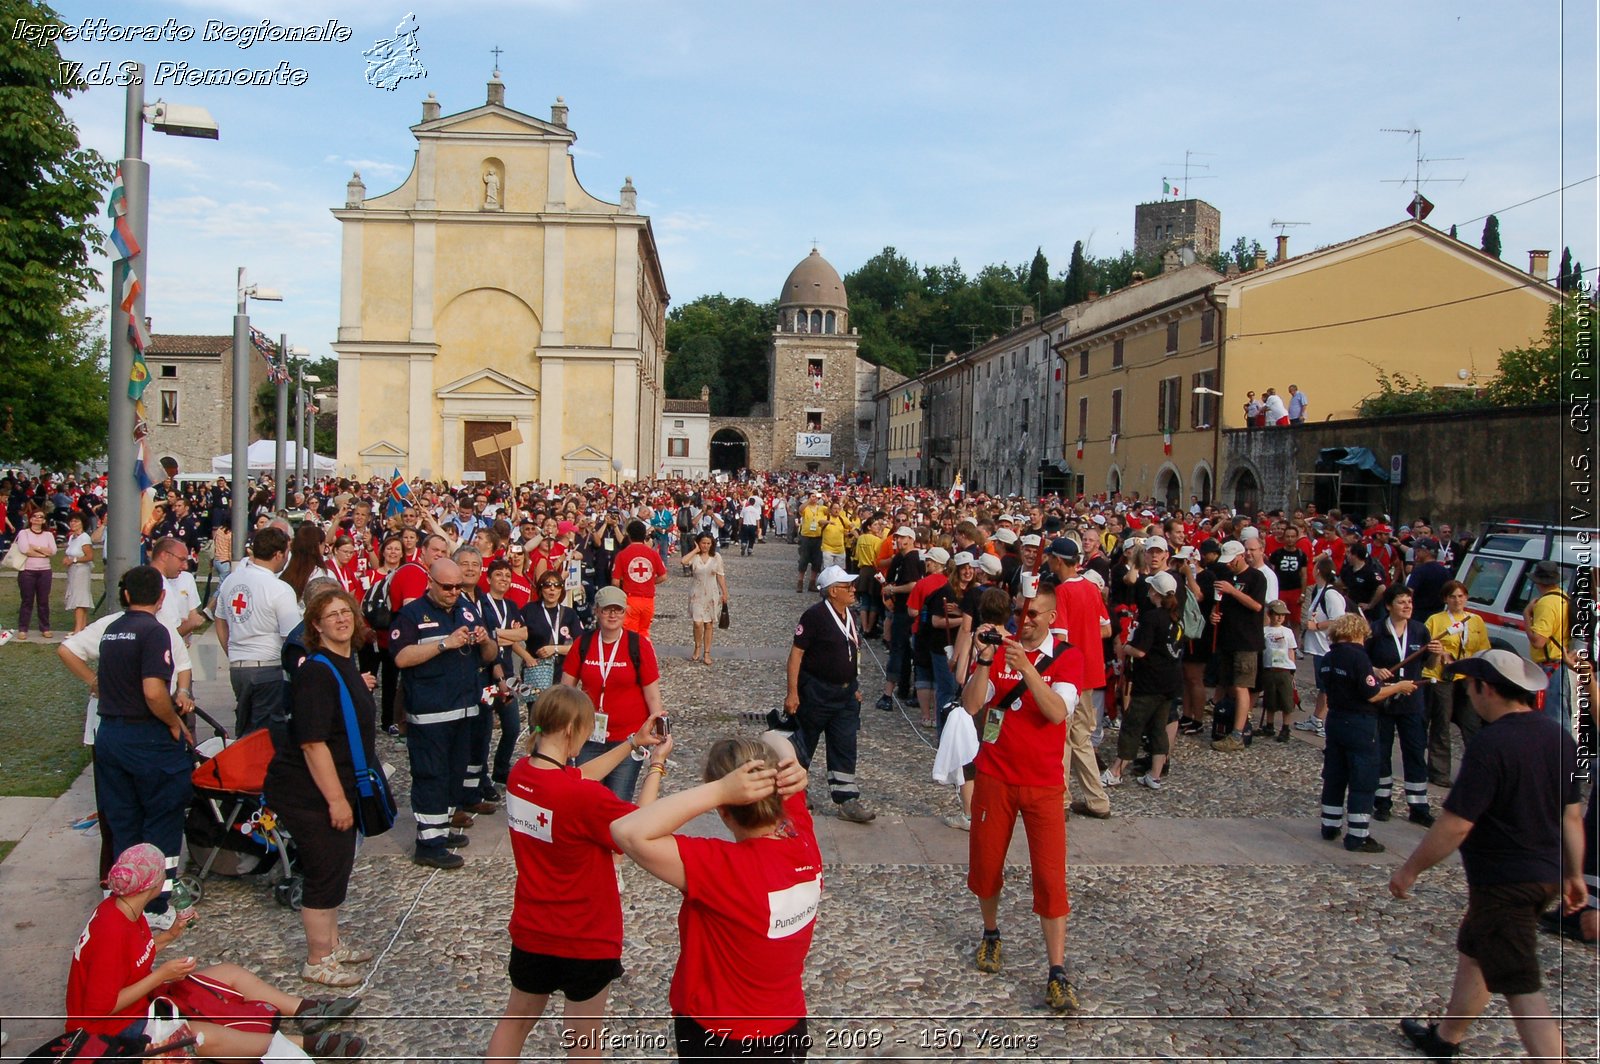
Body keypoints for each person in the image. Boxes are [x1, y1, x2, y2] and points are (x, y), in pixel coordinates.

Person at [1390, 650, 1584, 1063]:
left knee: (1520, 983)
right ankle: (1446, 1037)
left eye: (1471, 685)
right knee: (1477, 947)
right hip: (1543, 875)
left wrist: (1410, 870)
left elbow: (1457, 824)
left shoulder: (1490, 744)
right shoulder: (1558, 737)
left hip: (1505, 881)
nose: (1469, 694)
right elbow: (1571, 815)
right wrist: (1574, 873)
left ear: (1487, 688)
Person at [484, 686, 669, 1062]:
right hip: (584, 935)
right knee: (583, 1043)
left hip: (533, 929)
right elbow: (640, 827)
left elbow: (575, 778)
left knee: (515, 1020)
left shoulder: (521, 774)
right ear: (571, 730)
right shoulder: (583, 800)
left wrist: (632, 742)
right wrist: (656, 766)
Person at [611, 733, 816, 1061]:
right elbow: (774, 737)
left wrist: (718, 790)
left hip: (718, 1032)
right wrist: (792, 769)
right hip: (787, 1027)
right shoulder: (801, 837)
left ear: (723, 811)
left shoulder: (723, 869)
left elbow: (626, 831)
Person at [66, 843, 366, 1059]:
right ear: (152, 884)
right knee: (200, 1038)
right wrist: (161, 976)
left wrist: (171, 935)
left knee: (230, 973)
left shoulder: (123, 909)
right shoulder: (113, 930)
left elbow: (132, 958)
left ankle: (305, 1008)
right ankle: (304, 1043)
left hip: (138, 1004)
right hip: (109, 1027)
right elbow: (101, 1007)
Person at [960, 587, 1085, 1010]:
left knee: (1050, 876)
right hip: (995, 775)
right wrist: (982, 660)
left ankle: (1057, 969)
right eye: (1020, 612)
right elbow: (973, 704)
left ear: (1052, 618)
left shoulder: (1068, 657)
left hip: (1044, 783)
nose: (1025, 620)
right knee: (986, 861)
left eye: (1035, 614)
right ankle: (991, 933)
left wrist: (1027, 669)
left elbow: (1056, 711)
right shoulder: (1000, 651)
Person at [264, 586, 379, 989]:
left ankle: (331, 943)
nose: (342, 619)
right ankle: (318, 959)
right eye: (331, 615)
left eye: (346, 612)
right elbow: (313, 743)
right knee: (323, 871)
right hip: (311, 793)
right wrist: (336, 801)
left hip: (340, 783)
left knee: (338, 867)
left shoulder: (346, 661)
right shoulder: (315, 671)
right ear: (315, 625)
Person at [92, 565, 193, 927]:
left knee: (123, 820)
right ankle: (156, 905)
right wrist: (173, 723)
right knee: (162, 818)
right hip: (146, 738)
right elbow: (153, 690)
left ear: (127, 595)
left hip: (111, 733)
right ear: (162, 597)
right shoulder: (155, 632)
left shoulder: (112, 630)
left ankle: (125, 899)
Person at [391, 557, 498, 869]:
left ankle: (442, 829)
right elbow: (401, 657)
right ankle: (428, 843)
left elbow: (489, 655)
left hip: (463, 709)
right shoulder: (412, 615)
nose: (453, 592)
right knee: (431, 776)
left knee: (453, 774)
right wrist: (443, 644)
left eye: (458, 587)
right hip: (431, 713)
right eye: (447, 587)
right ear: (431, 583)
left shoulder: (467, 609)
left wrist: (485, 640)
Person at [1316, 613, 1418, 853]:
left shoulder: (1329, 657)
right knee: (1363, 777)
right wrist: (1398, 687)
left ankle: (1330, 825)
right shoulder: (1358, 658)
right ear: (1357, 632)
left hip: (1336, 719)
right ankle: (1358, 835)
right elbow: (1371, 694)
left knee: (1335, 775)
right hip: (1359, 723)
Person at [784, 565, 874, 824]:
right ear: (833, 591)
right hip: (816, 692)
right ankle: (798, 794)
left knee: (845, 745)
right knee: (803, 745)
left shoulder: (849, 615)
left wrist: (854, 686)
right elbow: (796, 655)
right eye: (848, 587)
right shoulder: (814, 616)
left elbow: (852, 651)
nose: (853, 590)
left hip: (845, 695)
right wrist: (792, 693)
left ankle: (847, 799)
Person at [561, 585, 663, 803]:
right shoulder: (583, 644)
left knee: (617, 802)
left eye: (618, 609)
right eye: (607, 609)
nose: (612, 614)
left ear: (625, 612)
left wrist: (661, 730)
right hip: (588, 737)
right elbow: (566, 690)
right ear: (597, 611)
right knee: (586, 799)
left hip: (629, 739)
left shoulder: (638, 645)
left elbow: (652, 694)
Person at [214, 527, 300, 738]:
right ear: (279, 554)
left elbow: (220, 619)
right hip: (268, 666)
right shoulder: (278, 588)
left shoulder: (230, 582)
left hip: (238, 667)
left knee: (244, 728)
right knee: (267, 734)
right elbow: (291, 636)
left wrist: (232, 651)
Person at [1365, 585, 1440, 827]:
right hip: (1384, 700)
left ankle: (1418, 806)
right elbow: (1362, 663)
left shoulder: (1419, 630)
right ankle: (1382, 802)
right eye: (1401, 602)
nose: (1407, 606)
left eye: (1409, 601)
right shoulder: (1375, 631)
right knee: (1382, 752)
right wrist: (1374, 670)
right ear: (1388, 606)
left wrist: (1438, 654)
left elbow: (1429, 662)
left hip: (1412, 701)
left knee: (1415, 752)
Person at [1104, 571, 1180, 787]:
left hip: (1150, 682)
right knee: (1158, 727)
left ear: (1155, 592)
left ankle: (1116, 771)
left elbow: (1140, 651)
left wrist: (1126, 647)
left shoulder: (1152, 617)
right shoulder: (1174, 616)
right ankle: (1155, 775)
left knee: (1132, 725)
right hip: (1169, 681)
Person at [1421, 580, 1490, 785]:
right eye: (1452, 596)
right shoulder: (1436, 620)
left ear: (1466, 598)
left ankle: (1477, 771)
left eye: (1460, 596)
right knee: (1441, 723)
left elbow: (1483, 648)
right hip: (1442, 676)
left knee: (1472, 724)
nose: (1457, 600)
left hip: (1467, 677)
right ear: (1445, 599)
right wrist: (1440, 652)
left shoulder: (1476, 620)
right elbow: (1428, 647)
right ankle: (1439, 772)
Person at [1210, 540, 1267, 752]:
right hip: (1227, 638)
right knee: (1230, 684)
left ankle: (1237, 733)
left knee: (1242, 685)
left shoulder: (1256, 577)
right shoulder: (1225, 576)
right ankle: (1232, 723)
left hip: (1247, 640)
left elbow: (1256, 605)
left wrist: (1233, 591)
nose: (1229, 565)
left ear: (1241, 556)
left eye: (1232, 561)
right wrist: (1214, 615)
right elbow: (1221, 605)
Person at [1294, 558, 1346, 739]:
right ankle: (1317, 718)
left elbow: (1338, 620)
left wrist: (1316, 626)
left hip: (1326, 648)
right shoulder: (1321, 591)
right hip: (1318, 648)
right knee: (1322, 687)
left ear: (1318, 571)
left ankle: (1324, 721)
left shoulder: (1330, 595)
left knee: (1327, 688)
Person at [876, 526, 924, 710]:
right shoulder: (900, 557)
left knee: (902, 650)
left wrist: (893, 589)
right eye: (897, 537)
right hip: (900, 608)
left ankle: (890, 693)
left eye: (903, 537)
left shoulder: (912, 558)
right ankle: (904, 689)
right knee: (903, 651)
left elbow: (914, 585)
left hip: (908, 610)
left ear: (911, 539)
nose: (899, 540)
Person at [1524, 561, 1571, 730]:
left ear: (1537, 581)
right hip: (1562, 664)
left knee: (1553, 718)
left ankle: (1558, 754)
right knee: (1561, 715)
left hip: (1551, 666)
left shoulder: (1545, 604)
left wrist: (1526, 616)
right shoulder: (1564, 597)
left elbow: (1538, 641)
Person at [611, 519, 667, 638]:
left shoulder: (622, 554)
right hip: (648, 600)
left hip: (630, 599)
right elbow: (663, 576)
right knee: (644, 632)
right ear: (644, 535)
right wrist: (650, 582)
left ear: (629, 536)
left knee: (629, 634)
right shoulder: (653, 554)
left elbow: (615, 582)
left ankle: (631, 656)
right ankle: (645, 654)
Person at [13, 502, 57, 639]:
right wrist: (43, 552)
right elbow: (25, 550)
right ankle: (23, 628)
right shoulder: (23, 533)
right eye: (35, 516)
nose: (38, 519)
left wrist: (36, 548)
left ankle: (45, 627)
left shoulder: (48, 535)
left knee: (43, 601)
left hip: (45, 571)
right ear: (30, 519)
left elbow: (53, 551)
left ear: (44, 520)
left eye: (41, 517)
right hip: (28, 571)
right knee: (27, 600)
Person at [150, 536, 205, 642]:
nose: (185, 567)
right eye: (181, 560)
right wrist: (191, 624)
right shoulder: (160, 586)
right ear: (165, 556)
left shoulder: (151, 580)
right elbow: (170, 634)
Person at [686, 531, 728, 666]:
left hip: (711, 593)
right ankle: (697, 647)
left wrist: (724, 592)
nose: (706, 546)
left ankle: (707, 652)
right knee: (697, 623)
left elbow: (720, 575)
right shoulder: (695, 557)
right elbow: (683, 561)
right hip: (696, 593)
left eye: (708, 543)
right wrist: (695, 550)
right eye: (703, 543)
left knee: (709, 624)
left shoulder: (716, 557)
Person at [1257, 600, 1297, 739]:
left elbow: (1291, 650)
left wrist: (1293, 667)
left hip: (1284, 669)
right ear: (1270, 614)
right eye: (1276, 614)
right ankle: (1269, 724)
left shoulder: (1288, 632)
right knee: (1270, 699)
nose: (1280, 617)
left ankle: (1285, 728)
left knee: (1287, 701)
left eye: (1283, 615)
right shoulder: (1264, 631)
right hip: (1269, 669)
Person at [62, 511, 94, 633]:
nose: (73, 523)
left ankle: (78, 629)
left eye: (76, 521)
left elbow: (89, 556)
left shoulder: (84, 537)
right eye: (71, 521)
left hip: (81, 571)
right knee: (76, 598)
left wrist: (74, 560)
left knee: (80, 599)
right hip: (73, 571)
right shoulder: (72, 537)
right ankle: (81, 627)